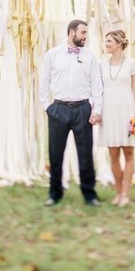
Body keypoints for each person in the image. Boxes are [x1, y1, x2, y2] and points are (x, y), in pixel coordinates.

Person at [39, 19, 103, 207]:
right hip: (58, 109)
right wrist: (47, 107)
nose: (86, 37)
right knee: (55, 153)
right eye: (83, 33)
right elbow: (44, 83)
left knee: (85, 154)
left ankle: (89, 194)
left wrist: (97, 110)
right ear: (72, 32)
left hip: (83, 109)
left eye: (86, 33)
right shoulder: (53, 54)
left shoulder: (90, 56)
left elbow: (96, 85)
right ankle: (55, 193)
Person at [97, 29, 135, 207]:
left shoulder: (132, 64)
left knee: (129, 153)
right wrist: (97, 111)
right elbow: (98, 90)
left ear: (119, 43)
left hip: (127, 110)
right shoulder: (102, 65)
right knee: (113, 154)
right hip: (108, 110)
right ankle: (118, 191)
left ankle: (125, 193)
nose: (106, 44)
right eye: (106, 41)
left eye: (109, 41)